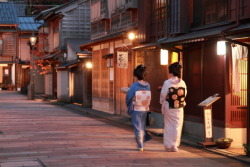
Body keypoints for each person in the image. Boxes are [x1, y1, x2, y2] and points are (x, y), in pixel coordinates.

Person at [160, 62, 187, 152]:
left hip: (169, 105)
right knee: (177, 126)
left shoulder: (167, 82)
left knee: (168, 125)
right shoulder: (182, 83)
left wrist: (162, 101)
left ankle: (168, 145)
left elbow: (163, 94)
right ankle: (175, 145)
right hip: (179, 106)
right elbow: (185, 94)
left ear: (170, 72)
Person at [126, 65, 151, 151]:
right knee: (142, 125)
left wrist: (128, 103)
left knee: (137, 126)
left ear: (136, 75)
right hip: (144, 107)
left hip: (136, 107)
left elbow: (129, 97)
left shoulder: (134, 86)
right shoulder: (148, 85)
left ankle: (140, 144)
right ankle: (142, 141)